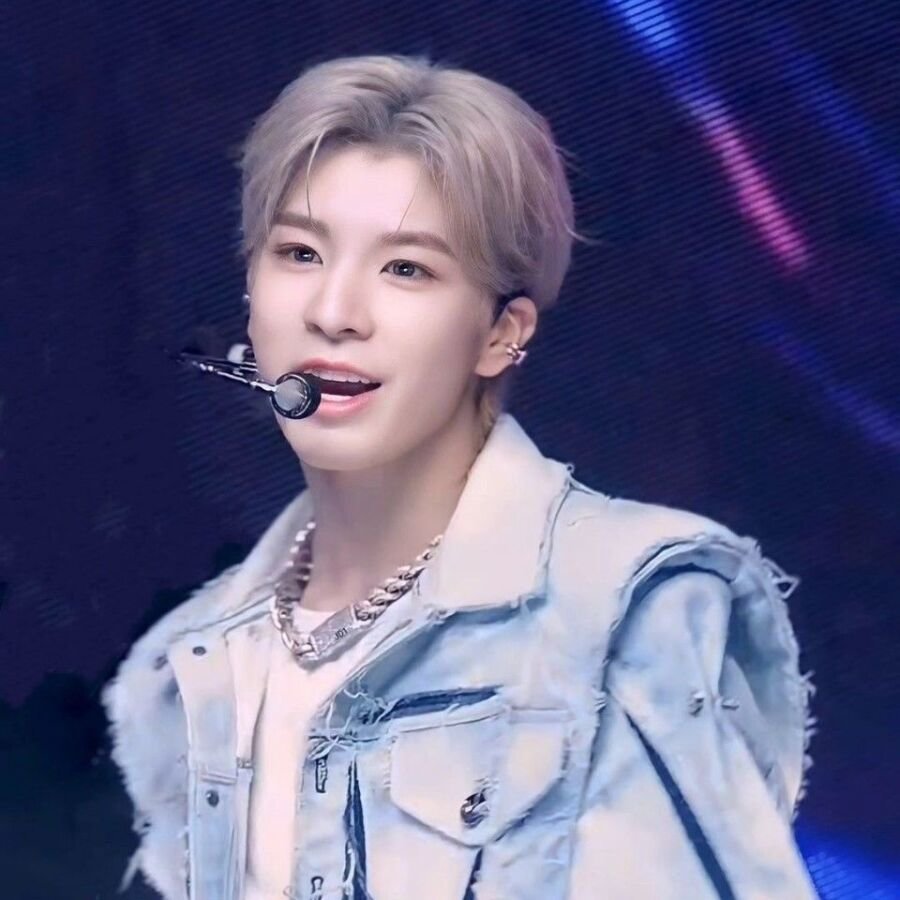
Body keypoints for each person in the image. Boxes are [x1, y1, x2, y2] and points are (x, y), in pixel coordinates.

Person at [101, 53, 818, 900]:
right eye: (298, 253)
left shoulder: (620, 606)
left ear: (502, 333)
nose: (333, 312)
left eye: (406, 268)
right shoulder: (188, 658)